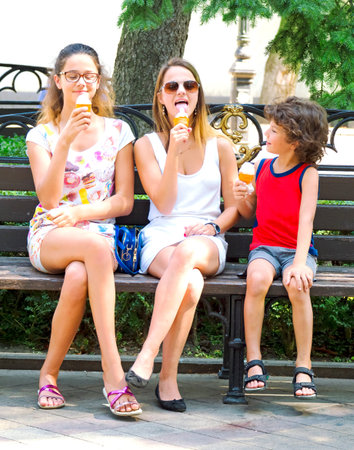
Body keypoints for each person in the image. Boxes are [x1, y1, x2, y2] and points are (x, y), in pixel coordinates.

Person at [26, 43, 142, 416]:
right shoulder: (41, 136)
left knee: (79, 274)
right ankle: (113, 373)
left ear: (98, 81)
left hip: (97, 234)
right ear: (58, 81)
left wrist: (81, 214)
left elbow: (124, 201)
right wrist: (63, 141)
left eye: (88, 76)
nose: (80, 83)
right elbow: (48, 198)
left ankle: (48, 375)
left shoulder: (119, 131)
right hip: (51, 234)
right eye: (72, 76)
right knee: (88, 250)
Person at [125, 57, 239, 412]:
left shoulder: (220, 145)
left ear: (198, 94)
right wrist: (174, 147)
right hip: (160, 235)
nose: (181, 92)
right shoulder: (146, 145)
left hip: (205, 239)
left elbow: (235, 207)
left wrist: (216, 225)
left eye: (189, 86)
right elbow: (164, 200)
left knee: (189, 252)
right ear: (161, 97)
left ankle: (147, 354)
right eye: (172, 86)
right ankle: (167, 378)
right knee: (190, 282)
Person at [233, 96, 328, 399]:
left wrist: (300, 264)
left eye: (274, 131)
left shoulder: (307, 173)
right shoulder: (262, 167)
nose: (266, 136)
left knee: (297, 286)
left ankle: (303, 363)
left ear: (295, 141)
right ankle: (253, 359)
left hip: (297, 250)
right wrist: (242, 196)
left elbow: (307, 220)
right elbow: (251, 213)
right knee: (256, 279)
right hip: (265, 246)